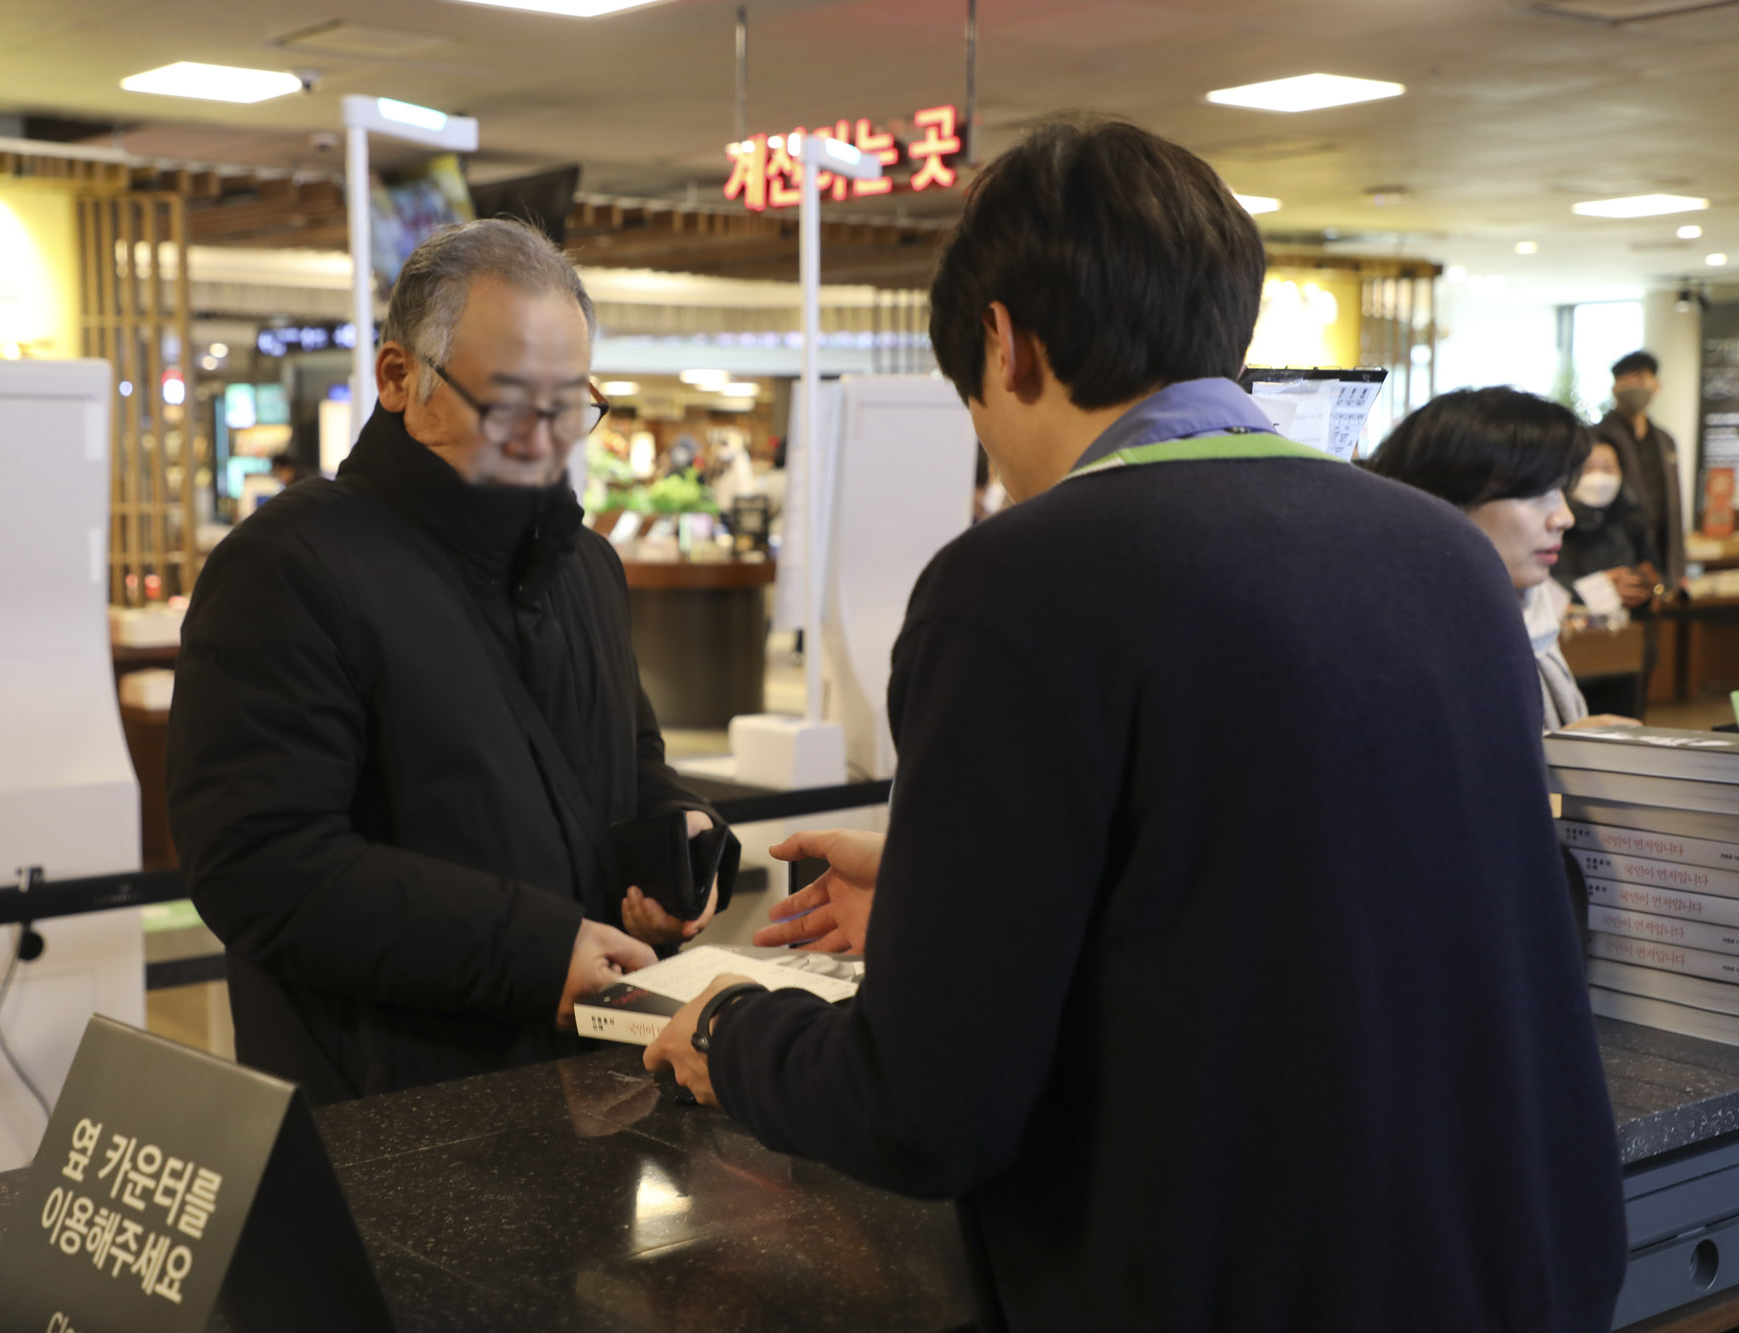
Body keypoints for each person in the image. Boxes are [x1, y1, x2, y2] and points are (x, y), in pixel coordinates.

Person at [643, 118, 1626, 1332]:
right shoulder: (1440, 556)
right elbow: (1293, 894)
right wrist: (939, 890)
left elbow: (928, 1106)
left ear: (1001, 341)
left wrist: (738, 1030)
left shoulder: (1017, 581)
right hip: (1496, 1260)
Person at [168, 219, 724, 1102]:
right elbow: (261, 867)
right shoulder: (290, 568)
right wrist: (534, 954)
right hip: (388, 1121)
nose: (546, 443)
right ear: (400, 379)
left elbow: (630, 763)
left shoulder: (586, 567)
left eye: (569, 407)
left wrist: (677, 841)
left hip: (596, 1096)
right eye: (511, 406)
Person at [1366, 387, 1638, 731]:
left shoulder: (1532, 617)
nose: (1564, 517)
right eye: (1539, 493)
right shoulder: (1406, 646)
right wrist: (1551, 759)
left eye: (1561, 491)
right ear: (1446, 501)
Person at [1594, 350, 1685, 589]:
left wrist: (1679, 567)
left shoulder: (1665, 440)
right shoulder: (1596, 437)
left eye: (1641, 377)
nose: (1633, 385)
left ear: (1656, 385)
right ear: (1614, 387)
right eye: (1625, 378)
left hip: (1661, 556)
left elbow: (1674, 505)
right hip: (1616, 555)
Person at [1559, 439, 1664, 607]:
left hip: (1628, 626)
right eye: (1588, 468)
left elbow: (1652, 568)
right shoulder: (1558, 523)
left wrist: (1643, 584)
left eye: (1607, 468)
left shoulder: (1633, 518)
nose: (1598, 477)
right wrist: (1597, 588)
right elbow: (1544, 587)